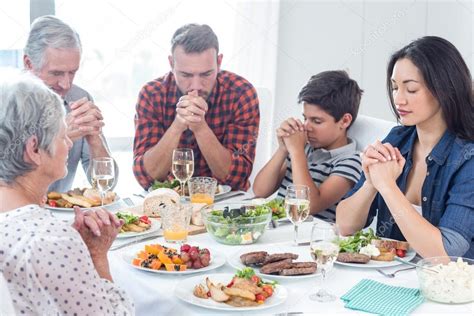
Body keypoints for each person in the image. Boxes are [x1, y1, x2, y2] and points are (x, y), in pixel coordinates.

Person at [0, 72, 134, 315]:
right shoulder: (52, 240)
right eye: (63, 136)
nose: (70, 144)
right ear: (34, 149)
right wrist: (97, 256)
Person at [336, 36, 474, 259]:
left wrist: (387, 186)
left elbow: (445, 253)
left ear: (444, 89)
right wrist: (371, 183)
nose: (398, 99)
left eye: (411, 89)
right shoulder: (397, 139)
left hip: (451, 287)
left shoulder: (467, 157)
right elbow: (344, 225)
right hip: (393, 277)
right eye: (394, 88)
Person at [133, 23, 259, 191]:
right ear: (171, 64)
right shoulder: (151, 94)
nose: (196, 86)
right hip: (171, 202)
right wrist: (178, 125)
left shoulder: (241, 93)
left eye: (206, 74)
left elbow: (235, 177)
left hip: (225, 205)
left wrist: (200, 127)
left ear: (219, 62)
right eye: (185, 75)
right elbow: (146, 178)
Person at [253, 71, 363, 222]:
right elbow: (260, 191)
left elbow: (309, 207)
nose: (306, 127)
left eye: (317, 121)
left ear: (344, 121)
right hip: (277, 230)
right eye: (305, 118)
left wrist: (297, 151)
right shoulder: (304, 147)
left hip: (311, 238)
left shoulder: (352, 162)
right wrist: (283, 149)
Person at [23, 15, 117, 192]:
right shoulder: (6, 104)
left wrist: (94, 138)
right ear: (29, 64)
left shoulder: (80, 98)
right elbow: (10, 184)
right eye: (56, 73)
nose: (66, 84)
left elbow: (107, 186)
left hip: (60, 216)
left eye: (72, 73)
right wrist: (59, 136)